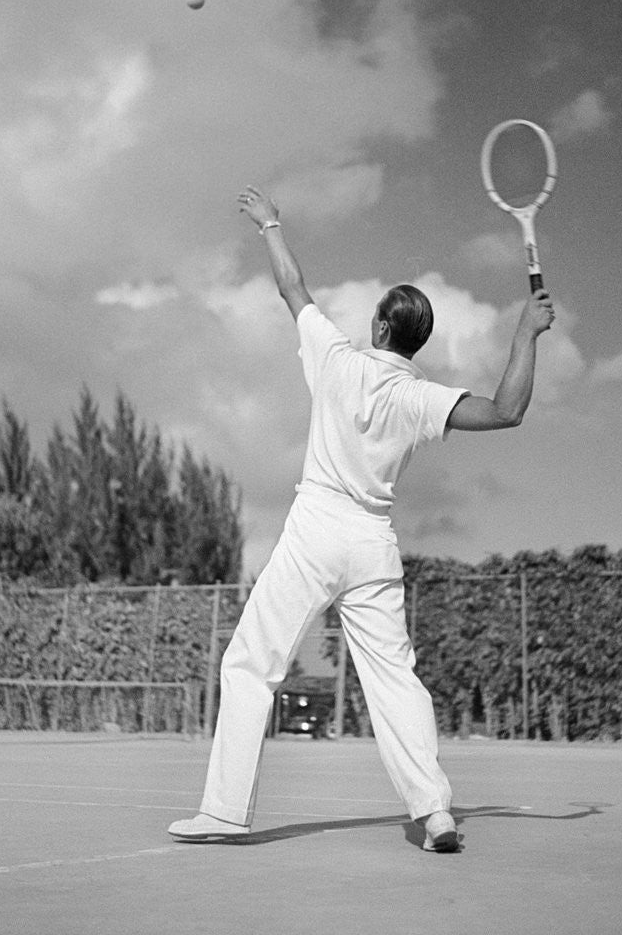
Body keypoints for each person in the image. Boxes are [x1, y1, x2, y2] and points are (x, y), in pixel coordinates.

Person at [169, 185, 555, 852]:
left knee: (248, 663)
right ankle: (435, 812)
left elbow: (292, 285)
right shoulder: (419, 396)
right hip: (373, 544)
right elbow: (507, 410)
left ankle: (227, 812)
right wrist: (525, 332)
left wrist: (271, 223)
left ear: (379, 328)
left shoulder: (335, 358)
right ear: (417, 341)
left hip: (315, 530)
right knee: (395, 683)